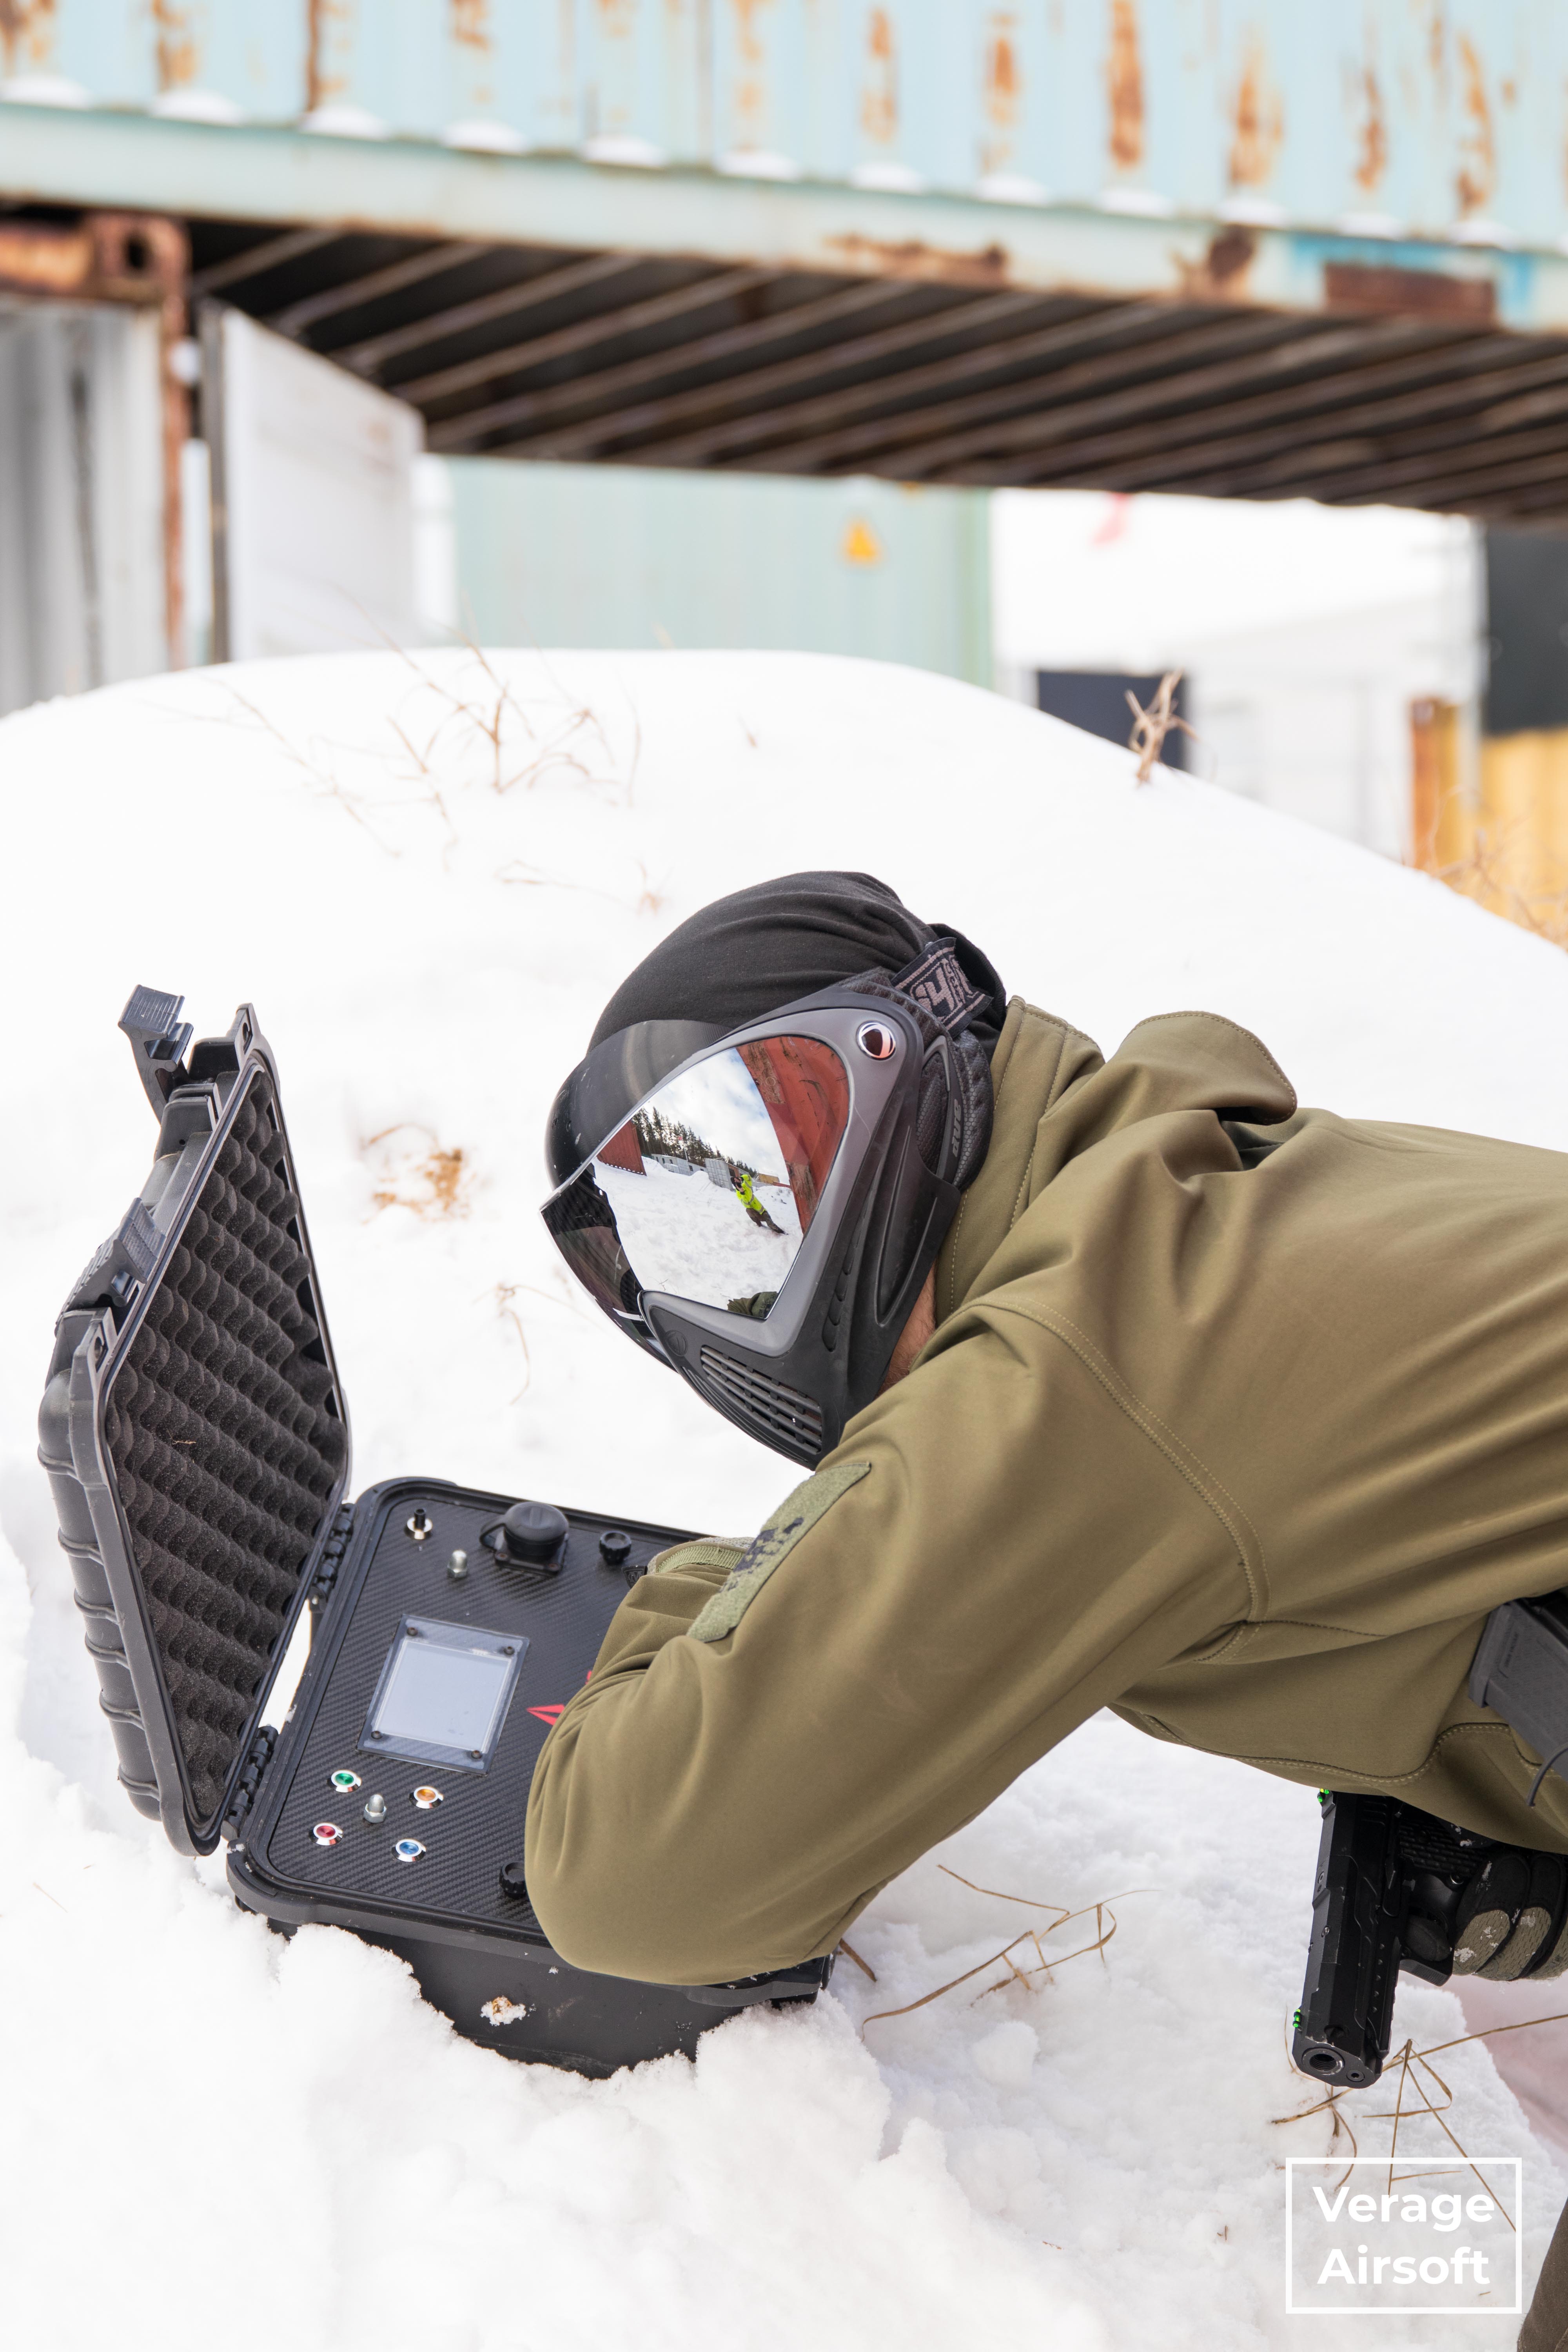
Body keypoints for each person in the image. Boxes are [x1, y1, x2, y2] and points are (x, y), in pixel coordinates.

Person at [529, 870, 1568, 2340]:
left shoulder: (1086, 1360)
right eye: (689, 1244)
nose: (740, 1277)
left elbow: (636, 1872)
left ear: (905, 1068)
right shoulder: (1188, 1190)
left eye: (770, 1165)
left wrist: (733, 1584)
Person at [730, 1161, 786, 1236]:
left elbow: (749, 1178)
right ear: (734, 1185)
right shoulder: (739, 1194)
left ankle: (783, 1233)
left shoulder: (746, 1185)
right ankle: (759, 1225)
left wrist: (741, 1178)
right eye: (735, 1182)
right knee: (748, 1210)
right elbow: (746, 1204)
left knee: (771, 1225)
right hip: (756, 1214)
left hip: (762, 1212)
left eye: (736, 1180)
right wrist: (742, 1192)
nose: (736, 1182)